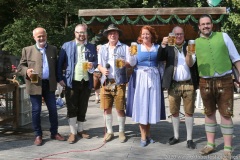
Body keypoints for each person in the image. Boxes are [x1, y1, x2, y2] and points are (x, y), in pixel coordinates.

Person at [186, 14, 240, 160]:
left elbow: (236, 58)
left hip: (225, 79)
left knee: (226, 113)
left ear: (212, 24)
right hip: (205, 82)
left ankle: (228, 149)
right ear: (199, 27)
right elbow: (190, 64)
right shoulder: (195, 43)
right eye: (202, 24)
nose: (205, 26)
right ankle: (211, 144)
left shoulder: (224, 36)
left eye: (208, 23)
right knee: (209, 113)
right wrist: (188, 54)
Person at [17, 27, 65, 146]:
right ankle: (38, 135)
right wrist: (27, 71)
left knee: (53, 110)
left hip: (49, 84)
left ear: (46, 36)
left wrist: (60, 80)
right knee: (36, 110)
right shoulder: (27, 50)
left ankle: (54, 132)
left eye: (43, 35)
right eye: (39, 36)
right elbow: (20, 67)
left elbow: (57, 67)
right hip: (34, 84)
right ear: (34, 37)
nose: (41, 38)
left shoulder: (53, 49)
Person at [158, 26, 199, 149]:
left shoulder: (191, 46)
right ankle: (176, 136)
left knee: (189, 112)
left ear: (184, 35)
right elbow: (159, 58)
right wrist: (163, 45)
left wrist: (189, 53)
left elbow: (191, 63)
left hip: (189, 83)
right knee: (174, 111)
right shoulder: (169, 47)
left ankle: (189, 139)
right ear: (172, 35)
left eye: (181, 34)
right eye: (176, 34)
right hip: (173, 83)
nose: (179, 36)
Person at [57, 24, 98, 144]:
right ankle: (72, 132)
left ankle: (80, 129)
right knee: (71, 107)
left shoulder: (91, 46)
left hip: (86, 81)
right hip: (71, 81)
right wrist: (60, 78)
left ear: (86, 34)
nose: (81, 35)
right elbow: (60, 64)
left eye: (83, 32)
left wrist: (93, 65)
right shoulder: (67, 46)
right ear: (75, 33)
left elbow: (95, 61)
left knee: (83, 105)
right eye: (79, 32)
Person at [126, 25, 166, 147]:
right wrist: (131, 55)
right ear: (140, 36)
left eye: (147, 33)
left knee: (150, 107)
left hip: (154, 78)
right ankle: (143, 137)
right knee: (142, 106)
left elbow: (161, 64)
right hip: (140, 79)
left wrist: (162, 79)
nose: (145, 36)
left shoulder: (158, 47)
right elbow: (132, 63)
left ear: (152, 35)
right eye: (143, 34)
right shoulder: (136, 47)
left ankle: (148, 135)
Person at [98, 24, 130, 143]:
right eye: (110, 33)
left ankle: (121, 131)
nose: (113, 35)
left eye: (115, 33)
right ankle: (110, 131)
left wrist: (124, 63)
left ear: (118, 35)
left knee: (120, 108)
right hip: (105, 82)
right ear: (107, 35)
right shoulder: (102, 48)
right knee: (106, 108)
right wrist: (101, 69)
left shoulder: (125, 48)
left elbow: (131, 63)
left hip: (119, 82)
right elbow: (98, 64)